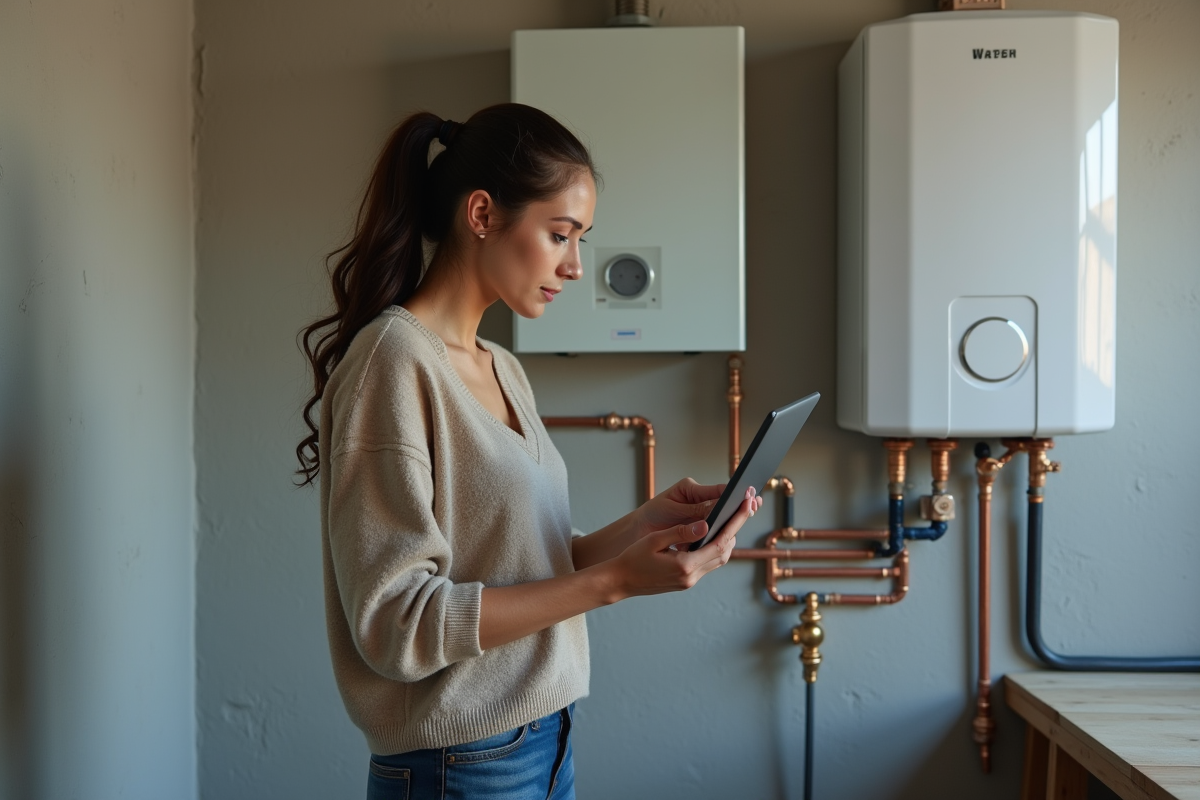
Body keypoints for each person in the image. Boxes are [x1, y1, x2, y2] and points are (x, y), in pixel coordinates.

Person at [296, 103, 761, 800]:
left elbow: (521, 561)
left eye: (580, 239)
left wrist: (643, 527)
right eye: (559, 234)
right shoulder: (392, 363)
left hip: (543, 739)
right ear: (481, 215)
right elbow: (396, 624)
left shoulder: (501, 366)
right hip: (462, 763)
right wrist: (616, 583)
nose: (576, 266)